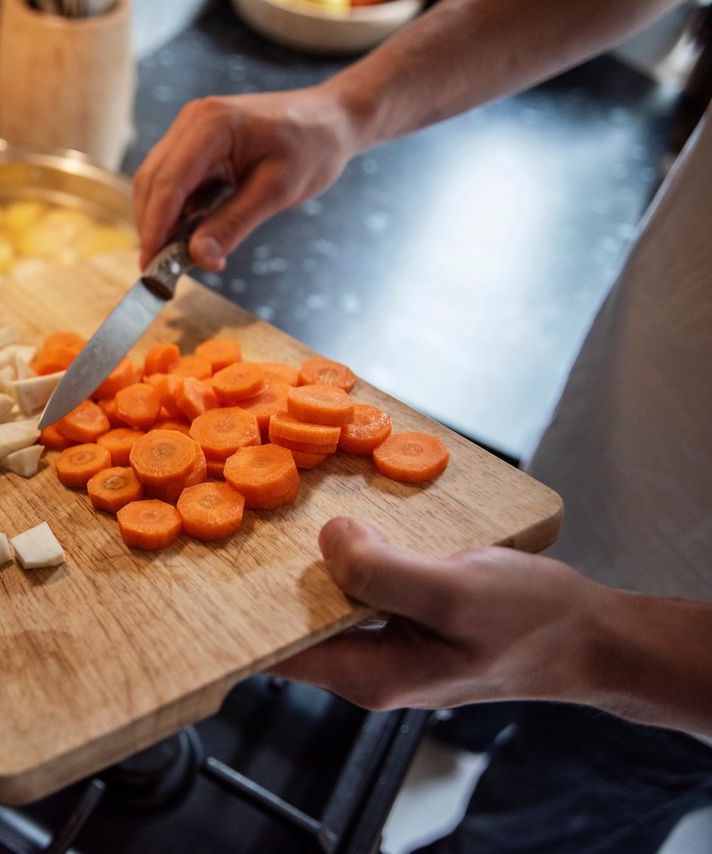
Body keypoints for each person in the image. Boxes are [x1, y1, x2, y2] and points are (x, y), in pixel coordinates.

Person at [133, 0, 712, 850]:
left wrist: (598, 648)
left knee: (559, 804)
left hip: (682, 650)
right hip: (621, 438)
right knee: (507, 602)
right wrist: (348, 106)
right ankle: (475, 717)